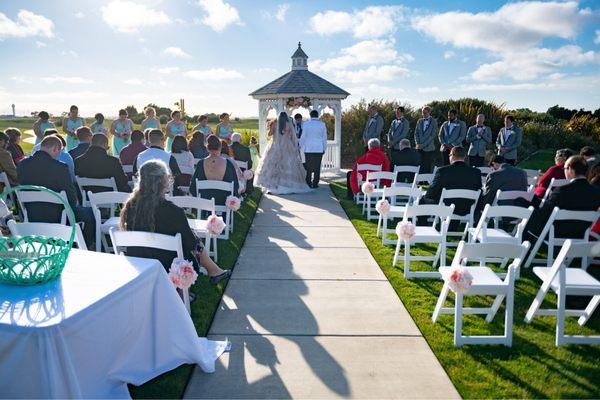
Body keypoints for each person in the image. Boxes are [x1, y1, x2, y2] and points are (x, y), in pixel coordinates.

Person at [119, 160, 231, 285]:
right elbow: (191, 244)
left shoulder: (130, 206)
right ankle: (213, 271)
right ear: (162, 181)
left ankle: (214, 271)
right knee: (193, 240)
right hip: (169, 265)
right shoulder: (173, 211)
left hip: (139, 262)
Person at [17, 135, 96, 247]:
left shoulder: (22, 165)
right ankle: (84, 245)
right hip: (58, 215)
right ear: (55, 148)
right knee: (90, 213)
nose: (58, 155)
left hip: (31, 213)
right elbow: (70, 196)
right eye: (59, 152)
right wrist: (73, 207)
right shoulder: (60, 167)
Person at [526, 155, 600, 239]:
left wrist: (528, 212)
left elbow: (543, 214)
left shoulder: (562, 191)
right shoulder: (597, 192)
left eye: (564, 169)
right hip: (580, 235)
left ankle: (524, 249)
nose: (564, 171)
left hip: (555, 234)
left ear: (571, 170)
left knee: (529, 218)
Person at [255, 112, 310, 194]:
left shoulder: (275, 124)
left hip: (275, 145)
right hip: (287, 145)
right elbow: (292, 136)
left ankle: (271, 182)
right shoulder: (289, 124)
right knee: (288, 164)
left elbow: (269, 134)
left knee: (272, 163)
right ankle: (287, 183)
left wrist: (271, 128)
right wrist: (294, 147)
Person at [423, 146, 481, 218]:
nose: (449, 157)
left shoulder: (442, 171)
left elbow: (432, 191)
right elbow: (479, 190)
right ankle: (452, 227)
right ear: (464, 157)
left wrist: (426, 196)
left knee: (422, 200)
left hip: (447, 207)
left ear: (453, 156)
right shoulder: (476, 172)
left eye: (449, 155)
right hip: (467, 208)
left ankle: (424, 227)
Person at [190, 135, 240, 202]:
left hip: (205, 201)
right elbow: (235, 186)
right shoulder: (228, 163)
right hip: (224, 201)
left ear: (207, 148)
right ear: (220, 147)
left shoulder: (200, 163)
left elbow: (193, 187)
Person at [300, 110, 327, 189]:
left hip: (308, 149)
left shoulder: (306, 124)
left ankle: (308, 182)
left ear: (310, 115)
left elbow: (303, 137)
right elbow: (324, 138)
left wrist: (301, 146)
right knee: (317, 167)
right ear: (317, 115)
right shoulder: (322, 124)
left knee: (308, 167)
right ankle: (315, 183)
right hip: (318, 148)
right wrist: (324, 148)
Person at [414, 105, 437, 173]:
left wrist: (423, 145)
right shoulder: (419, 121)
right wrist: (417, 143)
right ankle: (419, 181)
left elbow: (432, 135)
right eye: (422, 112)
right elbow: (416, 133)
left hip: (428, 148)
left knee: (427, 166)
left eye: (425, 113)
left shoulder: (433, 121)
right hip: (419, 147)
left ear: (429, 112)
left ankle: (425, 182)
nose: (423, 114)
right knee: (419, 165)